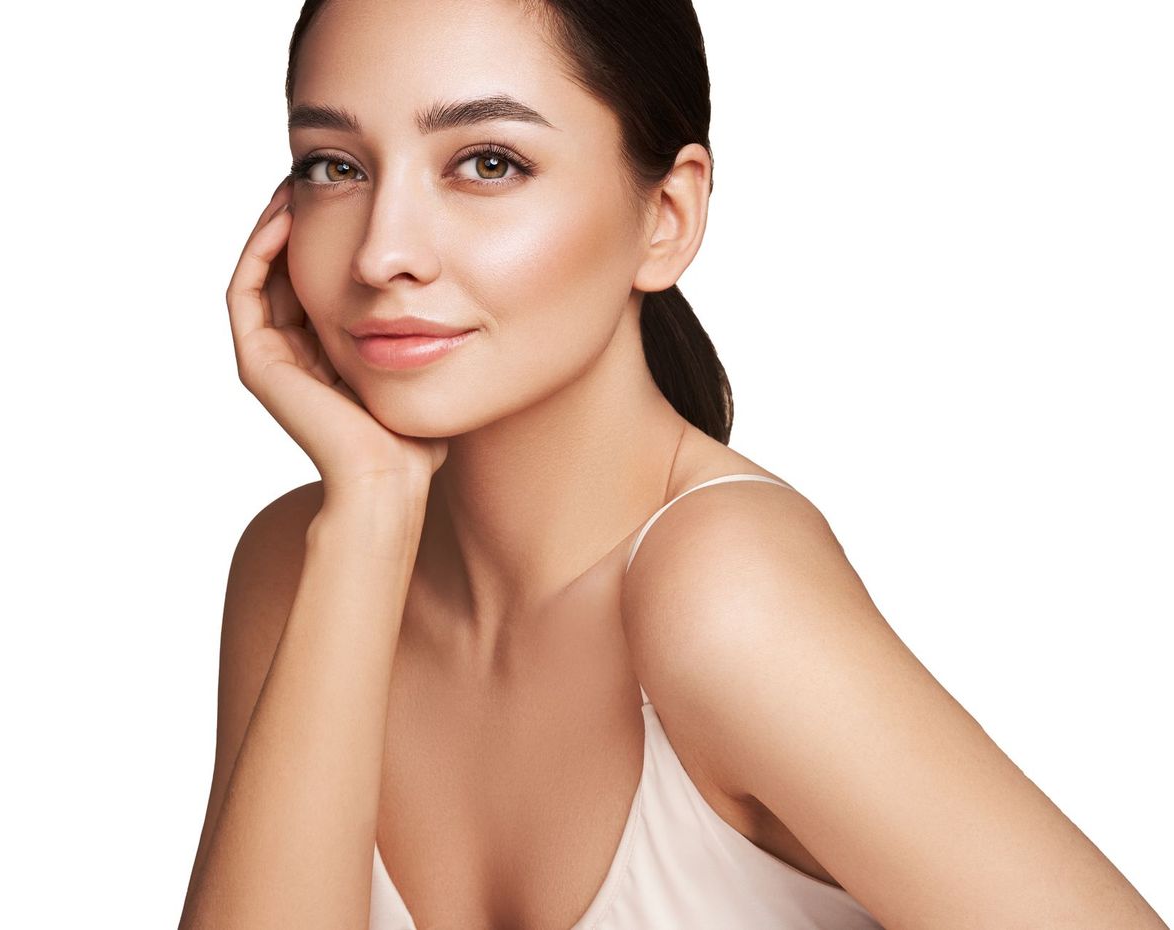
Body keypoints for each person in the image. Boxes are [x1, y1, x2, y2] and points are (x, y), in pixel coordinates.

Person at [179, 1, 1169, 927]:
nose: (381, 252)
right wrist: (370, 510)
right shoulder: (303, 559)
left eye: (485, 163)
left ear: (667, 215)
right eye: (332, 166)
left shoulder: (722, 593)